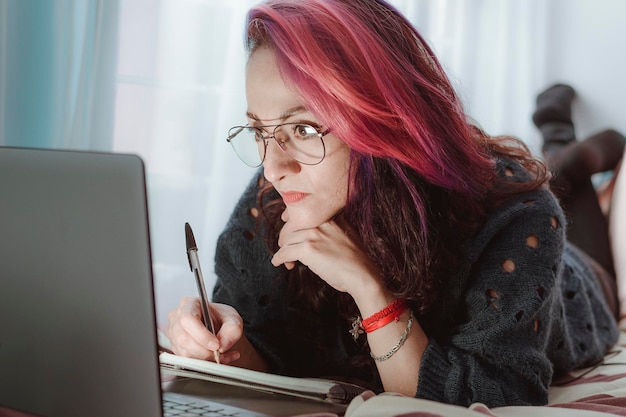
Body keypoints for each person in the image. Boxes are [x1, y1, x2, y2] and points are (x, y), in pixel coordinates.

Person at [166, 0, 620, 408]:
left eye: (303, 129)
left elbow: (498, 395)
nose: (272, 168)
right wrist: (225, 346)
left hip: (578, 280)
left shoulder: (518, 213)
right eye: (260, 132)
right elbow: (267, 346)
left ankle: (563, 135)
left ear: (387, 121)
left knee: (565, 184)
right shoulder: (274, 193)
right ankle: (561, 142)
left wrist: (372, 294)